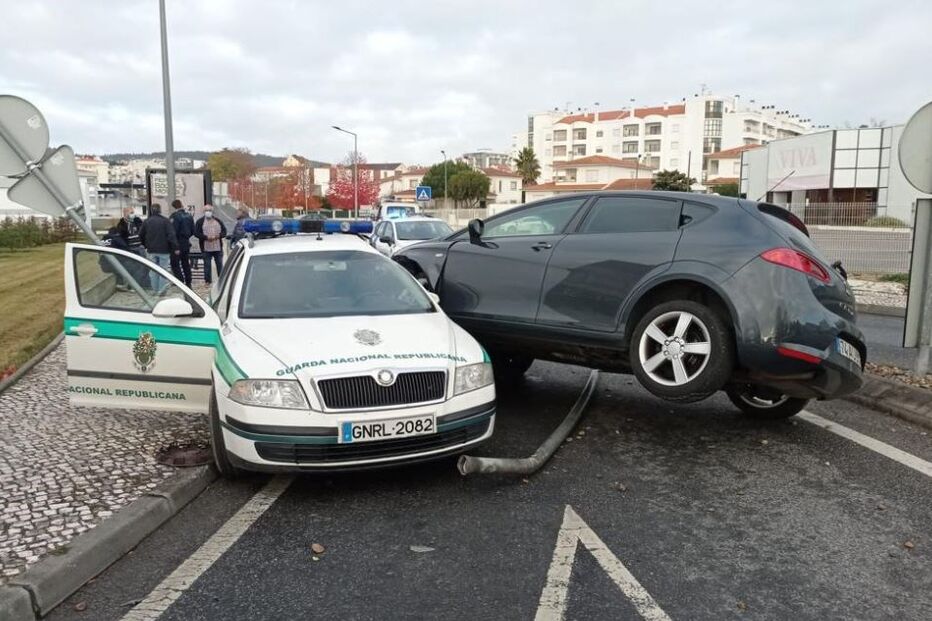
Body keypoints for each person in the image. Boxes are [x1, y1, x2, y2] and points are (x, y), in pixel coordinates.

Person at [139, 203, 179, 294]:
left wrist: (145, 245)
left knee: (153, 271)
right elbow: (171, 235)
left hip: (151, 250)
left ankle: (155, 289)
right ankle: (161, 290)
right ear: (160, 210)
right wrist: (175, 247)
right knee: (163, 270)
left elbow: (141, 235)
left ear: (151, 211)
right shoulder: (165, 221)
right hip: (164, 250)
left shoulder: (146, 221)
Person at [195, 205, 227, 285]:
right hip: (206, 248)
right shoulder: (200, 222)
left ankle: (222, 281)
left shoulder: (218, 221)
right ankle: (208, 281)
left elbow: (224, 232)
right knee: (207, 265)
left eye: (209, 210)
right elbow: (196, 233)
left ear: (212, 212)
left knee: (219, 264)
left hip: (218, 247)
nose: (208, 212)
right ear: (204, 212)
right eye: (206, 210)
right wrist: (206, 237)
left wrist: (218, 236)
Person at [169, 199, 194, 287]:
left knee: (174, 263)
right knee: (185, 263)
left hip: (177, 243)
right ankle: (188, 281)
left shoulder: (175, 216)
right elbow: (192, 231)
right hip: (186, 243)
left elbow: (172, 232)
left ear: (174, 207)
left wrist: (175, 246)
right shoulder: (189, 216)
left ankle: (180, 281)